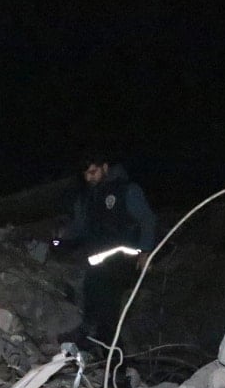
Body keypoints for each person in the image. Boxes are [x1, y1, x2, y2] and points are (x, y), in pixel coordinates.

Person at [55, 150, 157, 352]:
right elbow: (80, 227)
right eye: (86, 174)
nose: (89, 177)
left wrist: (146, 252)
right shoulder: (87, 198)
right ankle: (88, 343)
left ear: (105, 168)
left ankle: (117, 363)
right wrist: (62, 236)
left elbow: (147, 220)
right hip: (98, 264)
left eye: (93, 172)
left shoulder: (126, 190)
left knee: (108, 315)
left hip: (123, 262)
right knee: (90, 300)